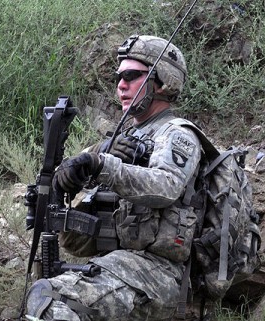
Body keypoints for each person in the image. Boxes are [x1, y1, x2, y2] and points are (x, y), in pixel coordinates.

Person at [26, 35, 203, 320]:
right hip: (118, 263)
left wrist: (104, 165)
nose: (121, 85)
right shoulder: (126, 138)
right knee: (41, 295)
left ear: (162, 81)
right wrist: (69, 175)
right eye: (119, 77)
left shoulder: (177, 134)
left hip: (160, 272)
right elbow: (71, 170)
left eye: (132, 76)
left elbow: (165, 186)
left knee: (55, 305)